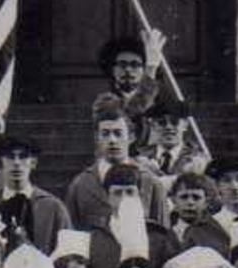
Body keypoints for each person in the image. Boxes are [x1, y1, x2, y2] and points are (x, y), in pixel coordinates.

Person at [65, 92, 170, 231]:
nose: (112, 140)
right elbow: (72, 238)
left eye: (118, 133)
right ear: (97, 138)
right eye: (105, 134)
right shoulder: (81, 185)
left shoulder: (150, 182)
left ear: (131, 136)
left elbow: (163, 237)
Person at [87, 164, 182, 268]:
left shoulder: (159, 237)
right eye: (117, 193)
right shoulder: (94, 237)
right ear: (107, 197)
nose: (124, 198)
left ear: (140, 196)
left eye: (130, 192)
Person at [0, 131, 71, 256]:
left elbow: (66, 256)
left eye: (23, 156)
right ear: (2, 162)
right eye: (10, 156)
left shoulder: (53, 207)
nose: (16, 163)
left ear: (33, 162)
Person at [137, 95, 208, 193]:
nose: (169, 127)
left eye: (175, 122)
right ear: (153, 126)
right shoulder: (140, 159)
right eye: (162, 123)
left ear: (185, 125)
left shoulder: (198, 161)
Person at [98, 30, 166, 124]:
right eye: (122, 64)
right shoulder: (104, 102)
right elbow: (129, 116)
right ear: (112, 69)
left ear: (143, 69)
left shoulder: (161, 101)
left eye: (135, 64)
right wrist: (151, 67)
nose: (128, 70)